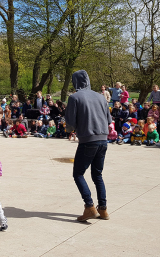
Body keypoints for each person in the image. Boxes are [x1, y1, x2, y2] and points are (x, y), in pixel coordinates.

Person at [65, 70, 112, 222]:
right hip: (103, 139)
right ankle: (103, 209)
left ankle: (89, 206)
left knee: (78, 174)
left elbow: (70, 124)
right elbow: (108, 119)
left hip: (88, 140)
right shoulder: (100, 96)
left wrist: (68, 129)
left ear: (75, 82)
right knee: (97, 174)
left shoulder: (74, 97)